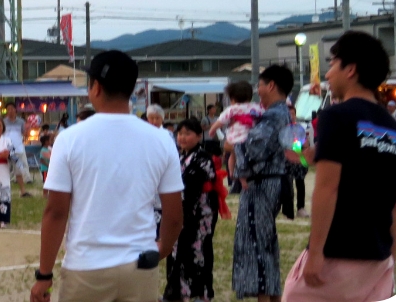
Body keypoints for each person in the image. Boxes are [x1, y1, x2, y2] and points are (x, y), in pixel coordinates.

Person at [30, 51, 183, 302]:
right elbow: (174, 214)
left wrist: (44, 275)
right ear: (132, 89)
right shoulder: (162, 140)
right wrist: (161, 248)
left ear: (96, 87)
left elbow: (56, 212)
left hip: (86, 266)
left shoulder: (69, 139)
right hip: (140, 265)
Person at [283, 31, 396, 301]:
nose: (327, 74)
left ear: (350, 69)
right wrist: (391, 264)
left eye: (333, 64)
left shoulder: (337, 116)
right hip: (378, 259)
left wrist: (316, 253)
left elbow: (328, 188)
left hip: (337, 253)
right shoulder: (395, 129)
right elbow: (393, 205)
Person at [232, 64, 294, 302]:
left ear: (271, 85)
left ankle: (265, 299)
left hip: (262, 184)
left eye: (259, 85)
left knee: (257, 246)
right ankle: (273, 297)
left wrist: (234, 142)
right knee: (265, 244)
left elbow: (253, 147)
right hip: (273, 182)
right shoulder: (283, 114)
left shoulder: (274, 115)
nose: (257, 90)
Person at [164, 118, 218, 302]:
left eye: (188, 133)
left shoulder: (203, 158)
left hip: (198, 214)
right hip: (181, 212)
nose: (182, 137)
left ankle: (197, 293)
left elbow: (191, 188)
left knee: (195, 252)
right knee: (176, 252)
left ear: (199, 136)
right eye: (180, 133)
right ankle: (177, 292)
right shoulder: (178, 157)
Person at [209, 80, 263, 189]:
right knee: (247, 159)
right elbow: (262, 116)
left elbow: (220, 121)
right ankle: (244, 178)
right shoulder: (256, 107)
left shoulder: (232, 109)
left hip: (235, 139)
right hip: (251, 138)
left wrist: (212, 130)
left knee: (234, 157)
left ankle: (232, 174)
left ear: (232, 98)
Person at [286, 104, 310, 219]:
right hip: (286, 159)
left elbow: (306, 144)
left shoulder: (300, 128)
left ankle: (301, 207)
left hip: (299, 157)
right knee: (287, 184)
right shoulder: (283, 129)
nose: (292, 116)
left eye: (293, 114)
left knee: (300, 182)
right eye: (289, 114)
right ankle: (287, 209)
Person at [1, 104, 30, 188]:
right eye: (8, 109)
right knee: (7, 166)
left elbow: (25, 135)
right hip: (6, 148)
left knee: (22, 164)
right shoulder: (3, 122)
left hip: (18, 147)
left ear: (15, 110)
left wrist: (28, 129)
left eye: (12, 109)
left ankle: (26, 179)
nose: (10, 111)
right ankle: (7, 181)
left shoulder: (21, 121)